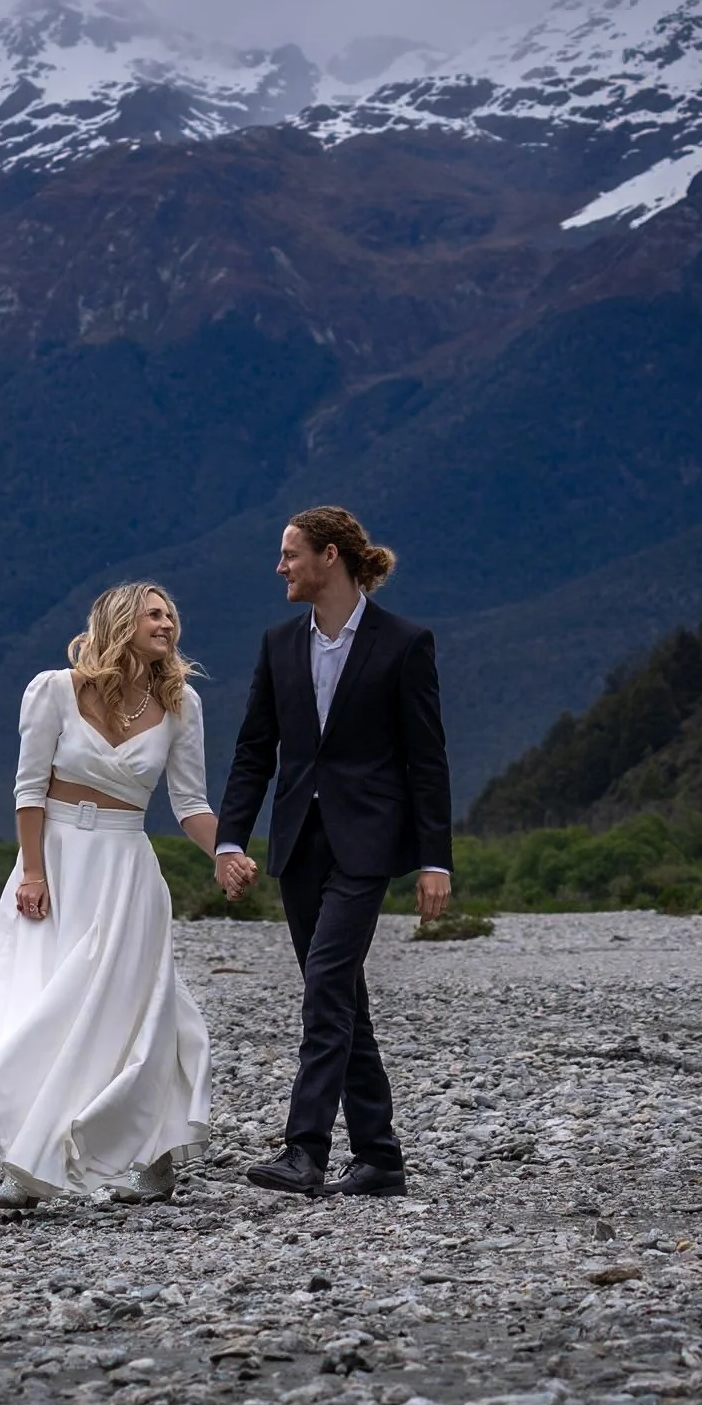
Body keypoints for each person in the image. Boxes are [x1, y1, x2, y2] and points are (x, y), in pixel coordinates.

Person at [214, 506, 452, 1198]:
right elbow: (255, 750)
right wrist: (231, 836)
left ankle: (304, 1149)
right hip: (297, 842)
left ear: (329, 557)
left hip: (366, 842)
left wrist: (434, 859)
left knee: (324, 986)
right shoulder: (277, 643)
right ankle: (379, 1157)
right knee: (344, 998)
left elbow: (426, 760)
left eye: (290, 555)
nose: (280, 567)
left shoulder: (404, 643)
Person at [0, 583, 219, 1206]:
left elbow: (188, 804)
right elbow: (29, 788)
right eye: (155, 614)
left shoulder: (182, 706)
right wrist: (32, 872)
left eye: (172, 614)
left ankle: (153, 1150)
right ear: (122, 622)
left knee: (140, 1007)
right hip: (52, 862)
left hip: (126, 868)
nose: (168, 623)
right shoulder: (53, 689)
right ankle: (28, 1161)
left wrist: (228, 854)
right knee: (47, 1007)